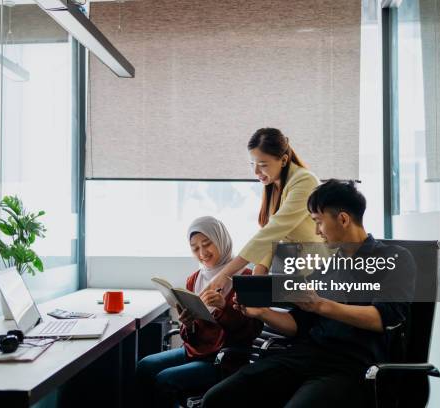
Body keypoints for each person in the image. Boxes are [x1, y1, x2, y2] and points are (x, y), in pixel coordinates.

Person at [202, 180, 416, 408]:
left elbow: (383, 318)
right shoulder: (328, 266)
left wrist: (321, 305)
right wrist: (263, 313)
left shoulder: (395, 259)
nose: (316, 231)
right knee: (217, 399)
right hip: (306, 355)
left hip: (353, 366)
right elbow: (298, 323)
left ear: (343, 219)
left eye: (318, 222)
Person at [135, 216, 263, 408]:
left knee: (164, 379)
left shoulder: (247, 277)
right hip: (195, 352)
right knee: (144, 366)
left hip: (224, 359)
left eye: (207, 244)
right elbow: (190, 338)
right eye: (195, 248)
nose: (202, 252)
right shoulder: (194, 279)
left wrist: (224, 307)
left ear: (221, 240)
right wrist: (187, 324)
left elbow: (252, 331)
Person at [204, 128, 324, 293]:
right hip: (289, 273)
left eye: (262, 165)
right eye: (252, 164)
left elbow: (273, 231)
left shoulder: (305, 181)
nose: (255, 171)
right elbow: (271, 236)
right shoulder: (274, 184)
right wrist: (259, 271)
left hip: (315, 274)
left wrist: (225, 273)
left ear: (283, 160)